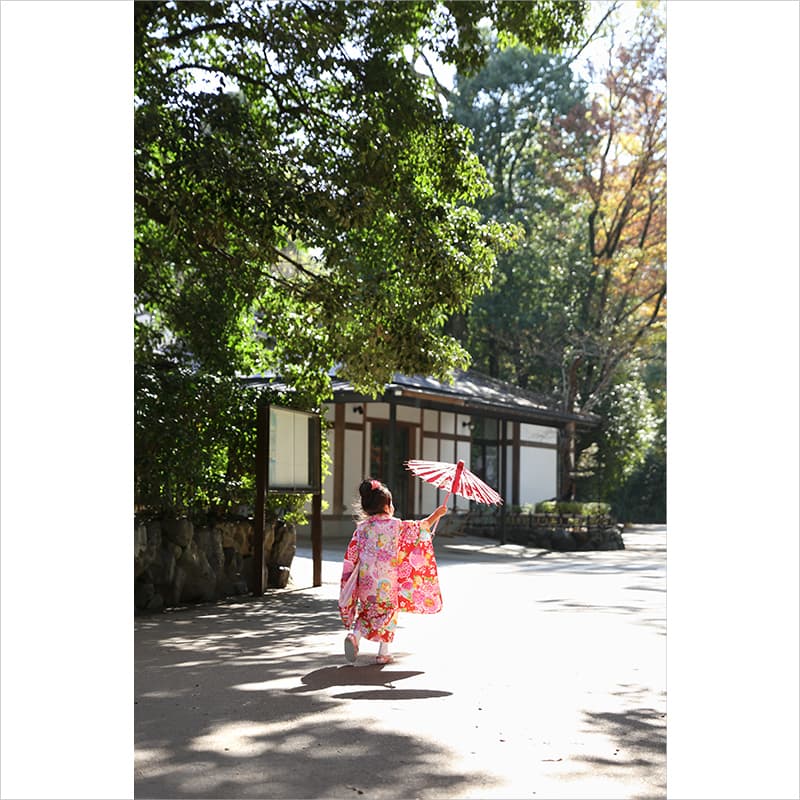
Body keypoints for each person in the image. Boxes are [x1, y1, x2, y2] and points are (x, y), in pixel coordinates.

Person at [338, 478, 448, 664]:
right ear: (388, 506)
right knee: (389, 612)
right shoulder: (396, 525)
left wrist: (350, 577)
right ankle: (383, 652)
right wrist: (437, 514)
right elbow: (421, 527)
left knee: (366, 611)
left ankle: (355, 636)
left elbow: (352, 553)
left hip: (367, 581)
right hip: (388, 582)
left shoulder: (362, 528)